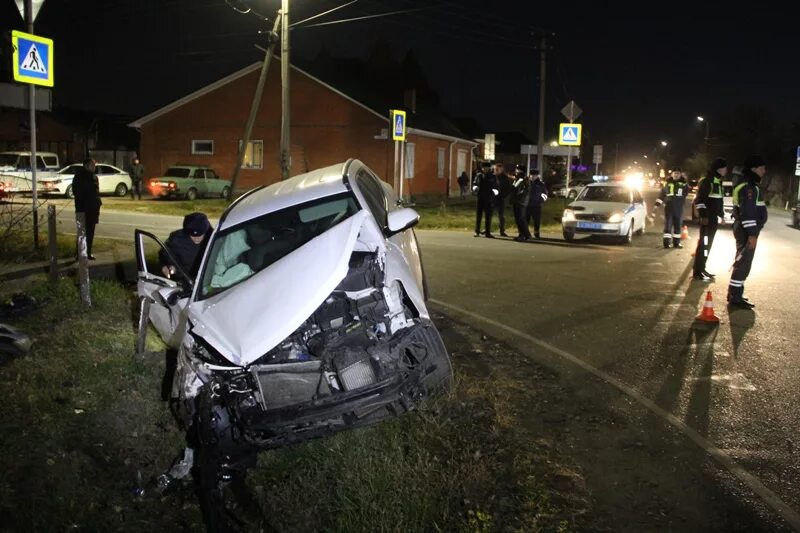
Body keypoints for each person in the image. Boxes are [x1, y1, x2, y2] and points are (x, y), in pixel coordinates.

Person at [727, 156, 768, 309]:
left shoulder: (748, 185)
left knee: (742, 261)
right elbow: (748, 212)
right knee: (743, 262)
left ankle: (734, 293)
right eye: (762, 168)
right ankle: (735, 297)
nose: (764, 171)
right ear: (754, 169)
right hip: (747, 230)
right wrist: (752, 234)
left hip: (745, 229)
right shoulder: (749, 187)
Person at [692, 158, 727, 281]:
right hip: (707, 219)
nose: (726, 170)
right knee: (704, 244)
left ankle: (702, 267)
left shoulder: (718, 182)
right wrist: (703, 216)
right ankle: (697, 270)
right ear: (719, 169)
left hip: (713, 219)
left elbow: (719, 201)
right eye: (724, 168)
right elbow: (699, 200)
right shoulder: (708, 182)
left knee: (708, 245)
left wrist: (722, 215)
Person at [160, 212, 213, 279]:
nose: (196, 238)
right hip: (184, 282)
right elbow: (164, 255)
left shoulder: (214, 240)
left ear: (205, 231)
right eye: (192, 235)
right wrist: (167, 266)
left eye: (200, 235)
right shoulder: (176, 239)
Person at [72, 158, 101, 260]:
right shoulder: (80, 177)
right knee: (83, 233)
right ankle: (80, 254)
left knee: (88, 232)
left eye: (94, 165)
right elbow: (76, 191)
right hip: (84, 208)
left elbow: (96, 193)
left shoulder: (93, 177)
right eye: (92, 165)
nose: (94, 167)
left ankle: (86, 253)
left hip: (90, 209)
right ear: (86, 166)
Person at [655, 168, 688, 248]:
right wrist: (657, 204)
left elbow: (685, 194)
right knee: (668, 225)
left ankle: (676, 243)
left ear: (680, 175)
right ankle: (666, 243)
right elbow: (662, 194)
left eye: (678, 173)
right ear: (672, 174)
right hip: (669, 207)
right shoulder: (667, 183)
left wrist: (680, 201)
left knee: (678, 225)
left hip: (679, 208)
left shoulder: (683, 184)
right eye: (675, 173)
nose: (676, 175)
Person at [473, 161, 498, 237]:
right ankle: (477, 231)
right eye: (483, 168)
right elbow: (474, 183)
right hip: (480, 198)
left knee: (488, 216)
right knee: (478, 215)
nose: (485, 169)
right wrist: (475, 188)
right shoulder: (479, 175)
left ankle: (487, 232)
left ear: (489, 168)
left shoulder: (493, 176)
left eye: (486, 167)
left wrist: (494, 193)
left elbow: (496, 186)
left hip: (489, 199)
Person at [511, 165, 531, 241]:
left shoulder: (525, 179)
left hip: (521, 202)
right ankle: (521, 235)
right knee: (518, 220)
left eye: (518, 170)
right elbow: (514, 189)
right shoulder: (517, 179)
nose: (516, 171)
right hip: (516, 202)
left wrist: (520, 197)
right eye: (516, 169)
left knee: (521, 219)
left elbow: (525, 191)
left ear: (521, 171)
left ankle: (528, 235)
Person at [527, 169, 549, 239]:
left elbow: (545, 194)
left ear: (537, 176)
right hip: (527, 205)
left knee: (536, 221)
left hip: (536, 206)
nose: (532, 177)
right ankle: (525, 233)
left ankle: (536, 233)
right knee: (525, 220)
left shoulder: (541, 184)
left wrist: (540, 201)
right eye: (531, 175)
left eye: (534, 175)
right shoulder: (527, 183)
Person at [493, 162, 511, 237]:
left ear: (501, 169)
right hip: (492, 198)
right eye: (495, 169)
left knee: (501, 215)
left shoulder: (505, 178)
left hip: (501, 199)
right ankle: (487, 229)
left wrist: (503, 196)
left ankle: (502, 230)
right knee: (489, 214)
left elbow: (508, 188)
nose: (496, 170)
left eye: (497, 169)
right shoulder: (492, 176)